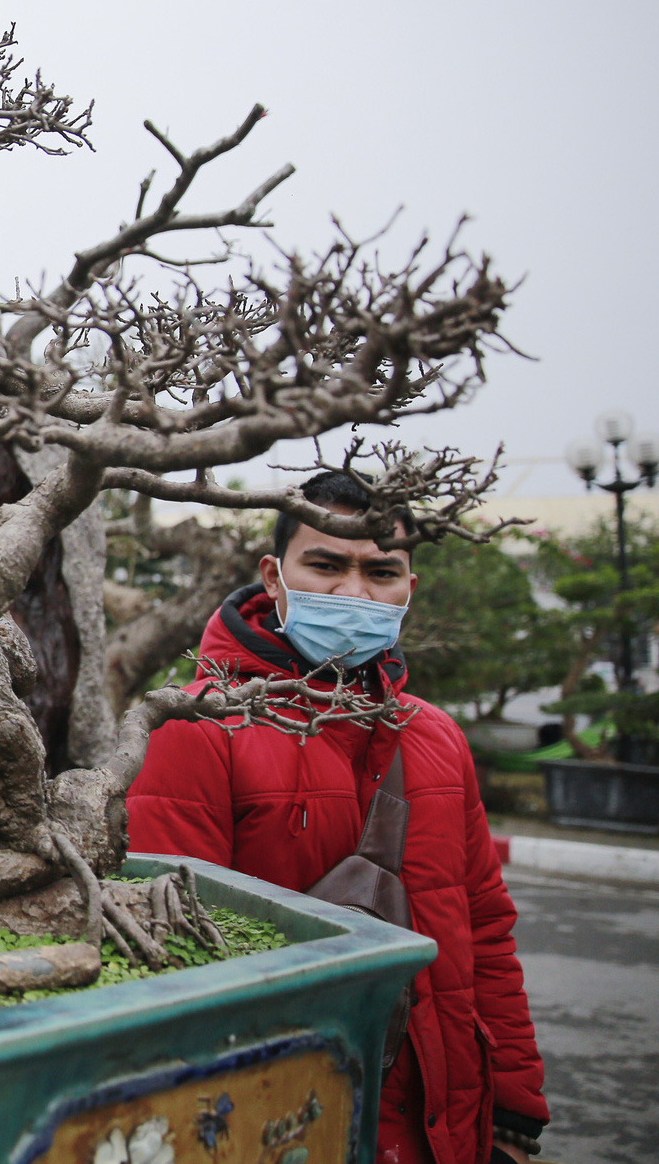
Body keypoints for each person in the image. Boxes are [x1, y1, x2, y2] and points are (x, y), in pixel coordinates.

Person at [127, 471, 548, 1164]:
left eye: (381, 570)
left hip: (440, 1127)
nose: (354, 593)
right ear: (274, 575)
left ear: (408, 588)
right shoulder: (198, 727)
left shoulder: (437, 738)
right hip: (276, 1123)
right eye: (326, 564)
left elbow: (486, 930)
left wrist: (513, 1110)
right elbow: (168, 957)